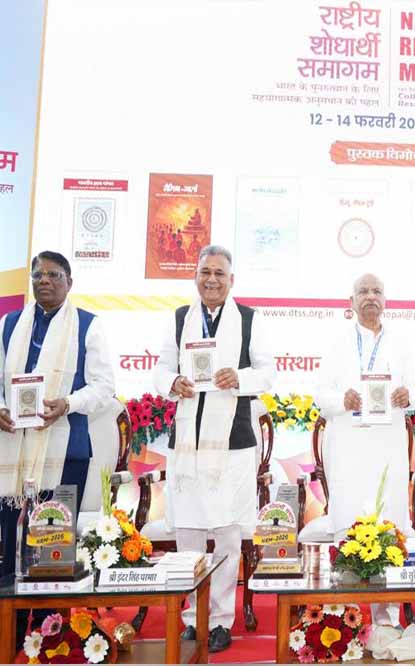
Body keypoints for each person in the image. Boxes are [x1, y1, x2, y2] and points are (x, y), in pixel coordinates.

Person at [153, 245, 275, 652]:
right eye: (205, 272)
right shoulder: (179, 318)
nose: (211, 279)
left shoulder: (249, 319)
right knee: (188, 532)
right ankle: (192, 617)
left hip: (233, 443)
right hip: (187, 443)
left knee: (226, 535)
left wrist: (239, 377)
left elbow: (268, 373)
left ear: (231, 280)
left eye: (219, 273)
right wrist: (172, 383)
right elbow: (161, 369)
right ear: (196, 276)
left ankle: (221, 620)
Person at [0, 251, 115, 646]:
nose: (44, 281)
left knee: (53, 547)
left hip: (66, 451)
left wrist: (67, 403)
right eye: (38, 275)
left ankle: (51, 635)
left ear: (69, 282)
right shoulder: (9, 324)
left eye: (53, 275)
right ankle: (11, 634)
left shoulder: (88, 326)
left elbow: (104, 388)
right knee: (10, 543)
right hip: (13, 456)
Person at [317, 273, 415, 628]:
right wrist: (341, 400)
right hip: (348, 450)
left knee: (388, 527)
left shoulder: (401, 344)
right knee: (348, 526)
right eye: (363, 291)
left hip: (387, 449)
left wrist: (409, 395)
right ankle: (341, 620)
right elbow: (320, 396)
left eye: (377, 291)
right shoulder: (337, 344)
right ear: (351, 301)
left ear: (385, 300)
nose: (370, 297)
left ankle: (386, 620)